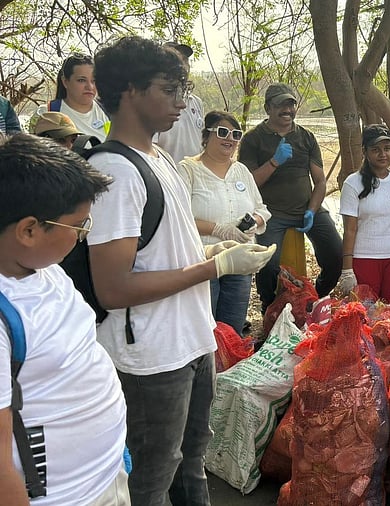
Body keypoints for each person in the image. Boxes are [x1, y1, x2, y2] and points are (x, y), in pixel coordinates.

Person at [88, 36, 275, 505]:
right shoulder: (115, 173)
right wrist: (214, 268)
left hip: (191, 339)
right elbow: (112, 288)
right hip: (151, 357)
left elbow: (169, 242)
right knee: (152, 477)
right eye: (169, 89)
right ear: (131, 91)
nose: (181, 102)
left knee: (192, 462)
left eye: (184, 89)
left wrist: (221, 244)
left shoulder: (161, 159)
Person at [0, 134, 129, 505]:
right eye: (79, 227)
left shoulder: (45, 268)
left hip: (103, 475)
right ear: (29, 230)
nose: (84, 237)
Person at [239, 83, 342, 308]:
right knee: (268, 263)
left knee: (336, 255)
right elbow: (248, 183)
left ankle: (312, 297)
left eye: (291, 105)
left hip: (307, 208)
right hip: (271, 213)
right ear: (267, 108)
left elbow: (321, 181)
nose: (287, 111)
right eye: (280, 106)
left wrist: (312, 210)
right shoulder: (252, 139)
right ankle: (270, 307)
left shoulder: (306, 137)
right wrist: (274, 161)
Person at [177, 110, 271, 335]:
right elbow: (178, 217)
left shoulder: (241, 171)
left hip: (240, 261)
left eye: (236, 134)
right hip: (202, 259)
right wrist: (219, 229)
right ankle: (206, 370)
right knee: (204, 330)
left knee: (231, 330)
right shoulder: (188, 169)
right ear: (206, 136)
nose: (229, 138)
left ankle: (228, 368)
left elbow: (262, 209)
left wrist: (252, 222)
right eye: (222, 132)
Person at [335, 125, 390, 302]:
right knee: (366, 314)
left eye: (387, 149)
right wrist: (347, 270)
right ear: (365, 152)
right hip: (364, 258)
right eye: (376, 150)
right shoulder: (353, 183)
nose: (383, 154)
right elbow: (350, 230)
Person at [36, 54, 109, 140]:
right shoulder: (47, 113)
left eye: (94, 81)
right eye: (81, 80)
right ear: (65, 81)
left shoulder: (109, 111)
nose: (90, 87)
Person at [156, 42, 204, 164]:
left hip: (194, 175)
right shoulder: (156, 101)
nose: (183, 65)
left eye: (185, 60)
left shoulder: (196, 102)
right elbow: (151, 146)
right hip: (167, 175)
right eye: (177, 59)